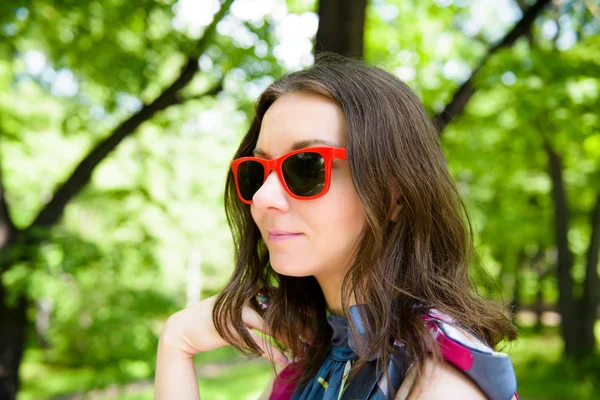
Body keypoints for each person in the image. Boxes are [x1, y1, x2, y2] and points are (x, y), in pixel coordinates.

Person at [154, 54, 518, 400]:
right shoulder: (316, 358)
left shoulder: (436, 381)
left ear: (396, 195)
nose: (264, 197)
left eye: (306, 166)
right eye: (257, 172)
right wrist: (176, 343)